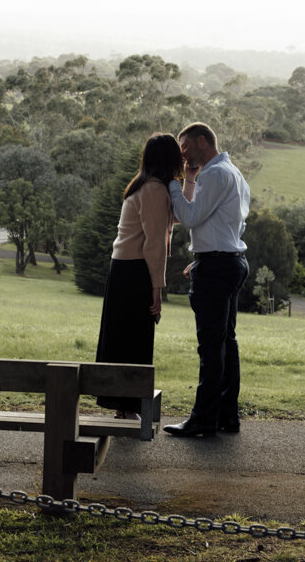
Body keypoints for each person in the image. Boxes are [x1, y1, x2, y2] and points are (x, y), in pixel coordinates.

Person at [164, 122, 250, 438]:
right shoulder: (235, 174)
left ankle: (203, 420)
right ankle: (227, 416)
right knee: (227, 343)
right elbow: (234, 227)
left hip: (217, 267)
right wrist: (204, 254)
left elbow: (189, 217)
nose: (183, 155)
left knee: (212, 348)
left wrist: (175, 182)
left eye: (185, 148)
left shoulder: (214, 174)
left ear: (203, 142)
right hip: (231, 262)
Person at [96, 132, 183, 419]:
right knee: (135, 341)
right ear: (169, 159)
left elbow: (181, 215)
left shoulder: (144, 185)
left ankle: (123, 407)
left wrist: (189, 180)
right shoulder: (155, 189)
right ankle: (128, 408)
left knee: (120, 339)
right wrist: (157, 288)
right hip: (136, 271)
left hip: (123, 269)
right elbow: (154, 243)